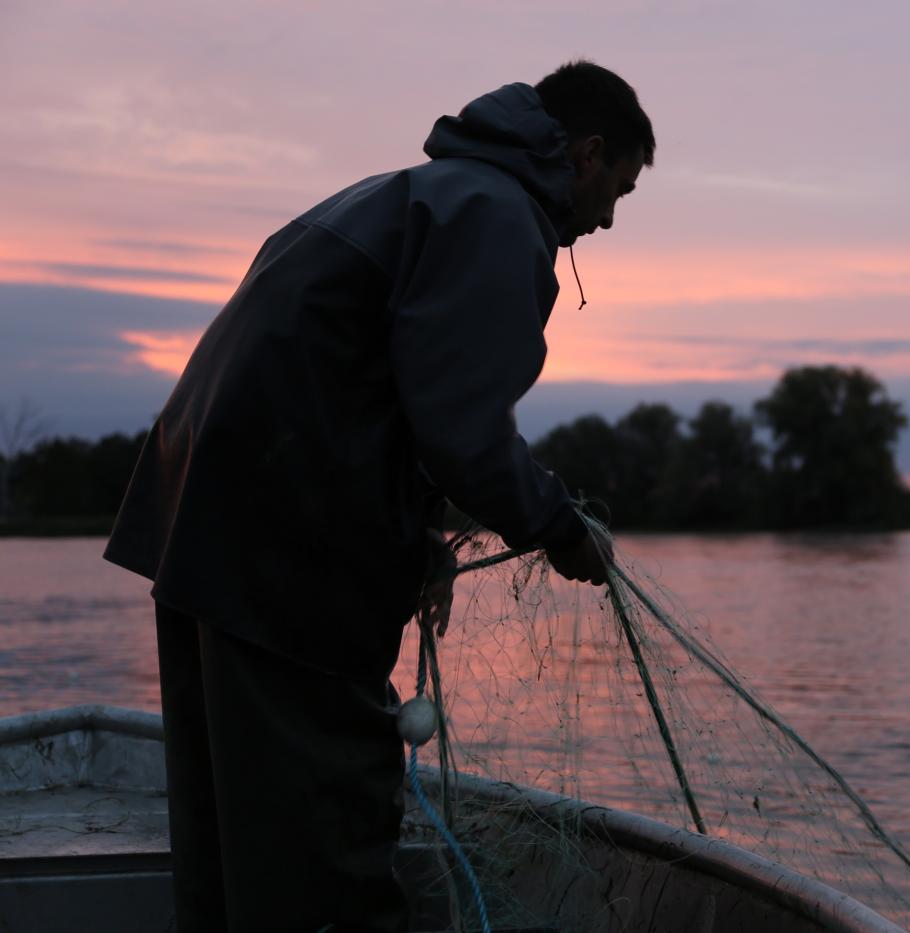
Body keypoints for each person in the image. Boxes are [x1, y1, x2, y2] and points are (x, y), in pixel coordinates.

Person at [103, 61, 655, 932]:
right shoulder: (497, 218)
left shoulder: (410, 193)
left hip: (200, 535)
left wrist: (418, 536)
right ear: (586, 154)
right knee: (327, 832)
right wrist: (558, 524)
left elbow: (375, 393)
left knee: (231, 838)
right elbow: (462, 427)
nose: (611, 218)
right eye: (619, 188)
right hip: (281, 559)